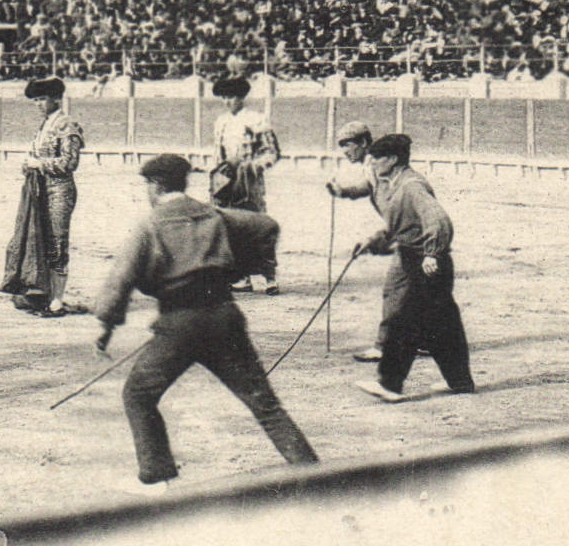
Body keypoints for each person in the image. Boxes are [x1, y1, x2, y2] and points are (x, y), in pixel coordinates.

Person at [93, 154, 318, 490]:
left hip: (179, 323)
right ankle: (314, 474)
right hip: (224, 317)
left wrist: (107, 325)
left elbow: (120, 279)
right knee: (263, 402)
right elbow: (266, 226)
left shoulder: (150, 224)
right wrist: (243, 267)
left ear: (155, 185)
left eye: (147, 185)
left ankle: (157, 477)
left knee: (138, 394)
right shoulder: (213, 214)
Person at [351, 134, 475, 402]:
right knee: (443, 326)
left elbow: (439, 220)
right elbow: (400, 228)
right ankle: (461, 382)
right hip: (417, 259)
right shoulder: (394, 185)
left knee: (403, 322)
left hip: (425, 263)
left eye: (378, 159)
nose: (372, 164)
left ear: (393, 160)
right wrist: (372, 242)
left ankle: (390, 385)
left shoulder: (411, 185)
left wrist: (432, 253)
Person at [17, 76, 85, 316]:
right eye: (35, 100)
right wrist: (29, 165)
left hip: (59, 190)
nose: (38, 104)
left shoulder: (67, 124)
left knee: (57, 242)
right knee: (42, 241)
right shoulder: (45, 125)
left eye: (42, 99)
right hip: (41, 191)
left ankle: (57, 301)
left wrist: (37, 164)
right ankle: (44, 295)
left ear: (56, 98)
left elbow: (69, 163)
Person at [209, 74, 280, 294]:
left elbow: (272, 153)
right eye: (224, 97)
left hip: (250, 181)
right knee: (231, 226)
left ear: (242, 97)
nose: (227, 101)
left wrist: (251, 167)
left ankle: (270, 279)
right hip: (227, 180)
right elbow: (218, 155)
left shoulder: (256, 120)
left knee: (257, 225)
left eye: (232, 96)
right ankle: (243, 278)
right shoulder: (221, 122)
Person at [325, 120, 387, 362]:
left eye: (348, 145)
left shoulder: (375, 164)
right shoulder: (371, 164)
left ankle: (384, 346)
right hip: (404, 228)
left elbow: (387, 197)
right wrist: (345, 192)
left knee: (397, 290)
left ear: (363, 143)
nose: (345, 151)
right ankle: (424, 339)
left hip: (406, 229)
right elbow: (369, 188)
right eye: (342, 146)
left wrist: (381, 237)